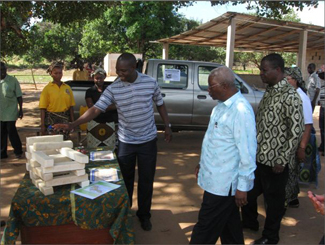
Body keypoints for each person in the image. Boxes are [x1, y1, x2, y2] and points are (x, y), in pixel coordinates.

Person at [53, 53, 172, 231]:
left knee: (146, 180)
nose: (119, 74)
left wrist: (167, 125)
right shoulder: (114, 88)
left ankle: (144, 215)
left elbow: (160, 104)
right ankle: (125, 212)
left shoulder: (150, 82)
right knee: (124, 180)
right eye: (117, 70)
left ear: (134, 68)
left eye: (123, 71)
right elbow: (95, 109)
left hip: (148, 140)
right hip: (126, 141)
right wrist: (74, 123)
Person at [241, 53, 304, 245]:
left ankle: (270, 236)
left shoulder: (290, 96)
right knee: (249, 193)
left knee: (274, 202)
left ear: (278, 70)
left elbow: (296, 131)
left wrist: (282, 159)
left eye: (264, 70)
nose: (261, 73)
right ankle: (250, 222)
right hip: (259, 157)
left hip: (276, 162)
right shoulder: (269, 91)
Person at [189, 66, 257, 244]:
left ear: (225, 86)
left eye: (211, 87)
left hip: (223, 183)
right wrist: (202, 163)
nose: (208, 90)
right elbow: (214, 141)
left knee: (204, 229)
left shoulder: (240, 110)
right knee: (230, 227)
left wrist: (243, 186)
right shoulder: (220, 107)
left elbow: (247, 152)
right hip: (214, 177)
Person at [284, 67, 313, 208]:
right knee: (291, 172)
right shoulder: (290, 95)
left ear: (295, 81)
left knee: (290, 172)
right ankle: (292, 198)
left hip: (296, 143)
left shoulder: (302, 98)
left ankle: (287, 199)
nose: (285, 82)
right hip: (289, 142)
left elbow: (307, 125)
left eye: (287, 79)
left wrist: (302, 147)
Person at [39, 62, 75, 139]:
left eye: (60, 73)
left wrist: (72, 123)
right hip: (51, 119)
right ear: (51, 74)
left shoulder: (67, 88)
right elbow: (42, 108)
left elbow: (71, 107)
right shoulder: (47, 89)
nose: (58, 75)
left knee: (64, 140)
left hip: (64, 118)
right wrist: (42, 125)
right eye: (56, 73)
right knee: (53, 141)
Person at [85, 68, 118, 148]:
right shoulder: (89, 91)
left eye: (101, 78)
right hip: (95, 123)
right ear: (93, 78)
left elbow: (116, 105)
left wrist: (99, 108)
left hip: (109, 122)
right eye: (96, 78)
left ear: (104, 78)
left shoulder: (110, 90)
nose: (99, 80)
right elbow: (91, 106)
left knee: (109, 146)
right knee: (94, 146)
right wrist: (108, 107)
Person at [0, 62, 23, 159]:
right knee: (1, 132)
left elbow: (19, 96)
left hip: (11, 111)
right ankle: (2, 153)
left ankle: (18, 151)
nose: (1, 72)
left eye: (3, 70)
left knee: (11, 130)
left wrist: (21, 110)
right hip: (1, 111)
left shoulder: (13, 80)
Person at [317, 64, 325, 155]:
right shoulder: (322, 82)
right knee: (322, 128)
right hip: (322, 107)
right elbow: (319, 74)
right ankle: (323, 146)